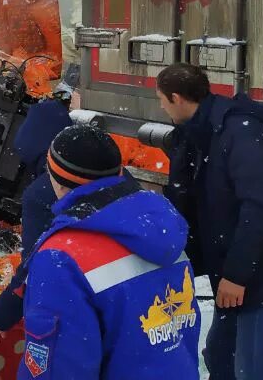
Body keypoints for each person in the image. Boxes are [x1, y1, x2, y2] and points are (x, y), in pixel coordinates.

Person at [156, 63, 263, 380]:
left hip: (258, 271)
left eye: (161, 99)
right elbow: (188, 197)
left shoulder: (239, 132)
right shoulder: (199, 132)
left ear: (176, 98)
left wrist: (237, 276)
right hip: (232, 265)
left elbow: (260, 207)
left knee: (253, 366)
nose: (161, 107)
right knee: (220, 355)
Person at [16, 125, 201, 380]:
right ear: (120, 172)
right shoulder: (164, 231)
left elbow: (61, 367)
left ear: (55, 179)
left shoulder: (61, 257)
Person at [0, 94, 73, 335]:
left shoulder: (43, 192)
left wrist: (1, 314)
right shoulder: (114, 175)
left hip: (71, 302)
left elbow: (34, 265)